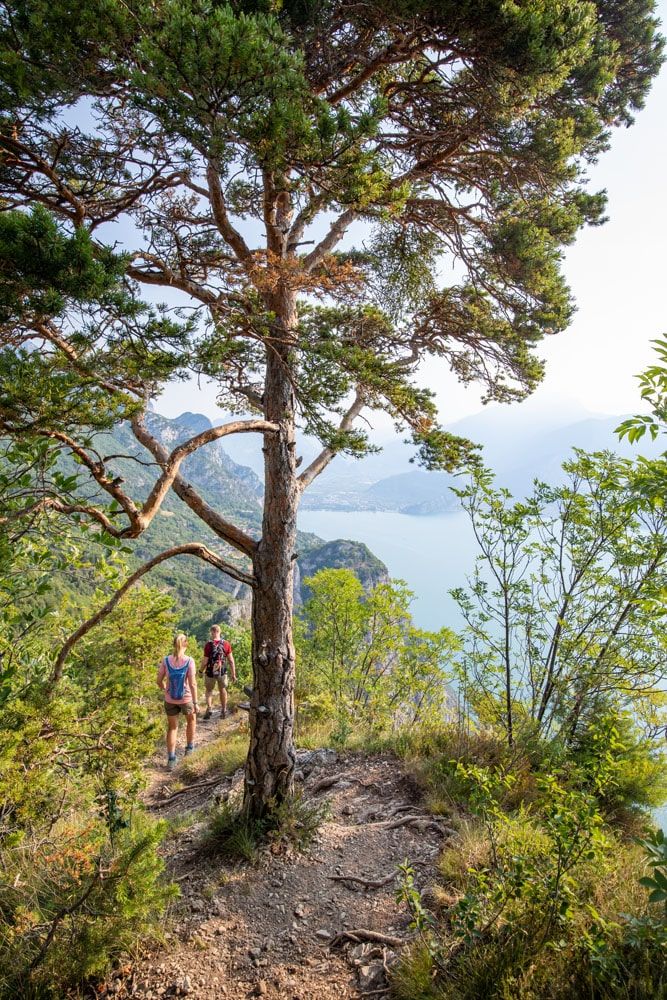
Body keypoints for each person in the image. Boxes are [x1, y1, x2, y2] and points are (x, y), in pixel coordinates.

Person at [157, 633, 198, 769]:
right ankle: (190, 749)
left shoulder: (166, 660)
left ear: (174, 644)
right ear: (185, 644)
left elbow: (159, 681)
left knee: (172, 728)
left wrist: (166, 689)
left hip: (170, 699)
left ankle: (171, 759)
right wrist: (196, 702)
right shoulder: (189, 661)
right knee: (191, 721)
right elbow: (192, 684)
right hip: (186, 698)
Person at [200, 624, 236, 720]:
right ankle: (223, 710)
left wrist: (200, 671)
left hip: (209, 672)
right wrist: (233, 674)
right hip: (222, 672)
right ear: (220, 632)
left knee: (208, 690)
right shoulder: (226, 644)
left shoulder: (208, 645)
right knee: (223, 690)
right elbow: (231, 660)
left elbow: (205, 661)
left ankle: (209, 708)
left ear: (211, 632)